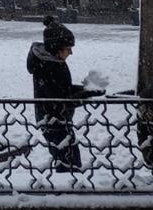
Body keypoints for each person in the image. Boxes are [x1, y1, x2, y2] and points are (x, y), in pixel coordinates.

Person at [26, 16, 104, 172]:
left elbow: (63, 90)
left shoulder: (52, 62)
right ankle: (66, 191)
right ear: (57, 48)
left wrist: (86, 89)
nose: (71, 52)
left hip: (55, 119)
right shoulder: (49, 67)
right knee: (69, 161)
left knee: (68, 159)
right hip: (53, 120)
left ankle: (67, 189)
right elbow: (61, 99)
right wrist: (86, 93)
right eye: (68, 49)